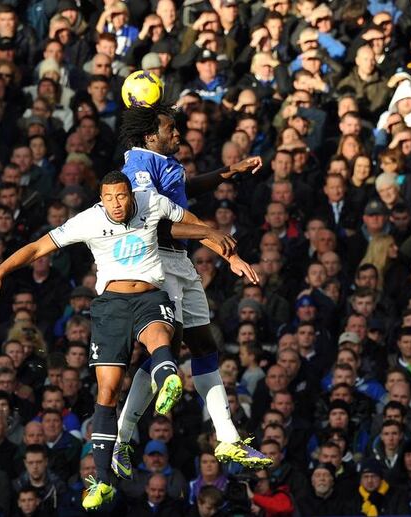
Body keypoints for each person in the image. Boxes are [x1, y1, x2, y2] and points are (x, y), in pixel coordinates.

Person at [0, 171, 255, 510]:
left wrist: (231, 255)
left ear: (131, 194)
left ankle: (168, 378)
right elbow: (38, 247)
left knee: (160, 337)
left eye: (122, 197)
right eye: (110, 198)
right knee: (107, 391)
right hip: (111, 307)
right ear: (101, 197)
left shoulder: (151, 202)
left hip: (151, 296)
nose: (117, 204)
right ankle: (104, 481)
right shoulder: (89, 220)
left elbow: (193, 224)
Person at [114, 103, 271, 476]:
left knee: (203, 346)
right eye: (171, 129)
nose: (178, 135)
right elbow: (157, 224)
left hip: (181, 262)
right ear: (150, 135)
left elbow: (182, 191)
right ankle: (121, 438)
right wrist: (216, 241)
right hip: (157, 263)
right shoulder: (137, 166)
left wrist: (226, 173)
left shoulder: (163, 162)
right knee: (163, 352)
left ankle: (228, 437)